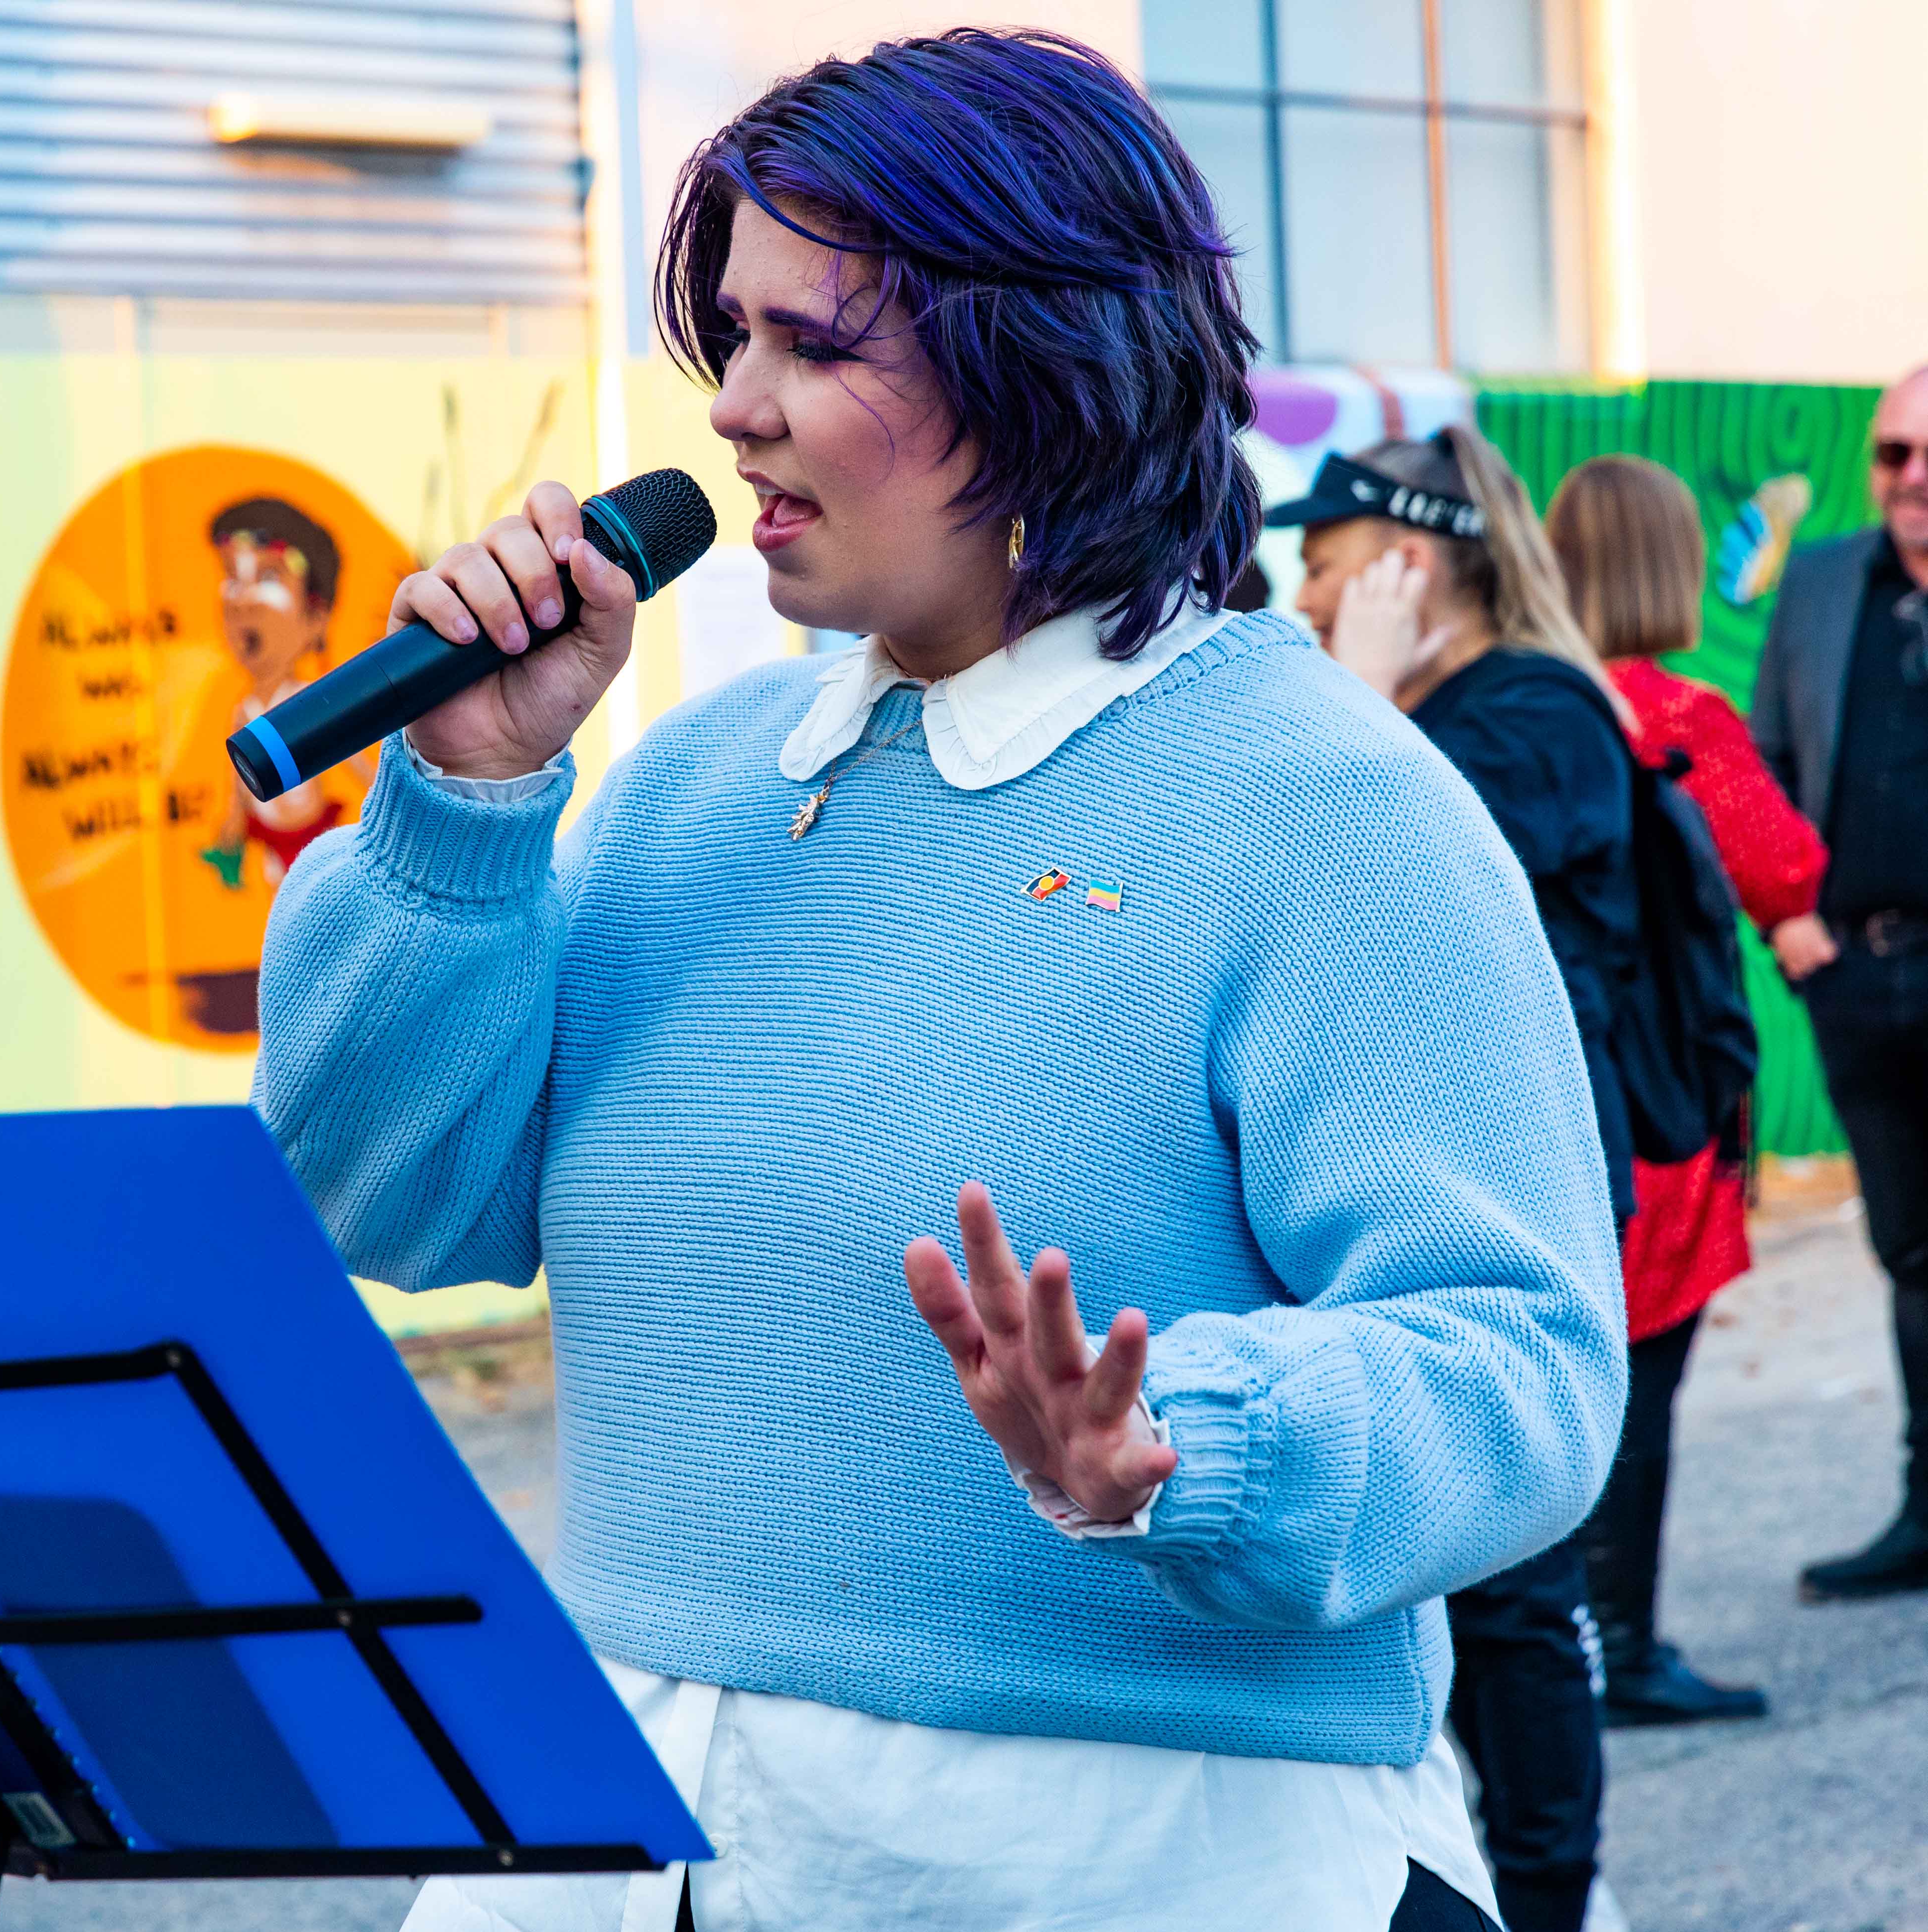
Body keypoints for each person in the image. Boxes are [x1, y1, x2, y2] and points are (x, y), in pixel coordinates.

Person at [255, 31, 1622, 1932]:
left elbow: (1523, 1355)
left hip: (1128, 1852)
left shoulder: (1325, 807)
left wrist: (1186, 1444)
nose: (731, 407)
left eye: (812, 344)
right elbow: (386, 1199)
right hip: (624, 1827)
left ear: (1047, 368)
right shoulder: (688, 786)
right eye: (726, 337)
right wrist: (465, 804)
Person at [1280, 426, 1628, 1932]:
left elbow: (1388, 859)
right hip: (1418, 1193)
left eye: (1327, 562)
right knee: (1437, 1589)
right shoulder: (1429, 715)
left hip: (1522, 1212)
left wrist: (1349, 700)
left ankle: (1552, 1901)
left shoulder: (1533, 714)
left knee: (1513, 1595)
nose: (1302, 593)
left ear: (1406, 564)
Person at [1545, 454, 1823, 1721]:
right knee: (1642, 1382)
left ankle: (1544, 1640)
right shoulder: (1677, 719)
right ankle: (1622, 1644)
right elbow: (1785, 863)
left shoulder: (1514, 709)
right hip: (1662, 1102)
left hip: (1551, 1088)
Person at [1754, 365, 1928, 1601]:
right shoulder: (1820, 584)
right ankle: (1927, 1507)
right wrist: (1785, 921)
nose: (1910, 478)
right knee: (1913, 1253)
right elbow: (1759, 763)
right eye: (1892, 454)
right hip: (1858, 980)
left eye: (1927, 453)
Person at [203, 496, 348, 890]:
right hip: (270, 835)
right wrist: (233, 821)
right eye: (233, 577)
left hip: (312, 833)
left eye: (269, 579)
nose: (243, 602)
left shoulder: (305, 701)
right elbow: (241, 774)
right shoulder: (246, 711)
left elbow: (351, 755)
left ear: (316, 619)